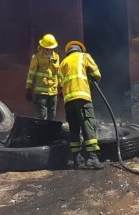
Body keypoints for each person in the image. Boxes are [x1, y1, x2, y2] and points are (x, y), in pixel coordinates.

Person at [59, 40, 103, 170]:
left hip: (68, 100)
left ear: (68, 51)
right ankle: (92, 158)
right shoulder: (85, 56)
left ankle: (77, 159)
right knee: (88, 124)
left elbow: (60, 84)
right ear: (80, 50)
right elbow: (96, 74)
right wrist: (90, 84)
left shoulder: (63, 63)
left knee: (74, 128)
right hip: (82, 97)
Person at [25, 34, 60, 120]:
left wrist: (61, 87)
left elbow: (58, 73)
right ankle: (42, 129)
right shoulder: (36, 57)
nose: (51, 50)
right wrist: (28, 88)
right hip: (41, 93)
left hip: (53, 92)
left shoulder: (56, 57)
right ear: (44, 47)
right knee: (42, 117)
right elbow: (31, 73)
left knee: (52, 117)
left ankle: (50, 129)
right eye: (49, 48)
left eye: (52, 48)